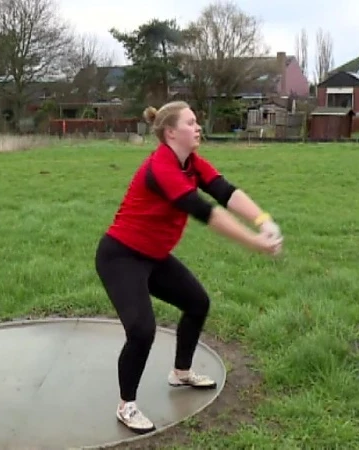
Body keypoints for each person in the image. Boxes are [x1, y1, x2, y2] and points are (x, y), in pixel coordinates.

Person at [94, 100, 284, 434]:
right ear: (171, 132)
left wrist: (262, 219)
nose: (198, 128)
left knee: (197, 303)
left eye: (197, 122)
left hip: (153, 256)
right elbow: (204, 211)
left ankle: (181, 373)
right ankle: (127, 405)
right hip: (121, 257)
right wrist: (254, 242)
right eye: (191, 122)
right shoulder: (161, 167)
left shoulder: (192, 163)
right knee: (141, 330)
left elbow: (225, 192)